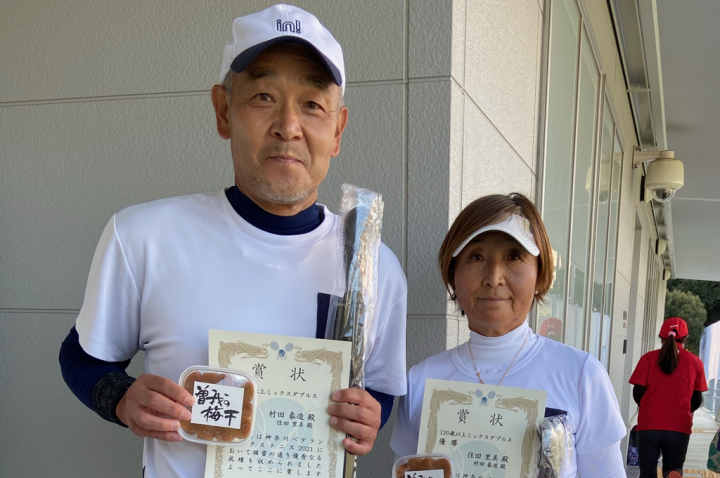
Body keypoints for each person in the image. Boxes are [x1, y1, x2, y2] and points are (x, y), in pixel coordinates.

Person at [58, 5, 408, 477]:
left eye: (312, 104)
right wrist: (120, 398)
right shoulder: (143, 236)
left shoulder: (372, 267)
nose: (288, 126)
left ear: (338, 129)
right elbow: (83, 355)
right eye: (264, 96)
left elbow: (378, 387)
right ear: (223, 111)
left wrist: (369, 418)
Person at [390, 193, 626, 477]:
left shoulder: (581, 376)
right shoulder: (421, 381)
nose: (494, 277)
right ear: (453, 274)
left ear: (540, 273)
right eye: (476, 256)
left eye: (514, 256)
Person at [629, 317, 707, 478]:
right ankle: (673, 473)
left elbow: (637, 392)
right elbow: (697, 399)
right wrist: (684, 410)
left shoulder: (648, 358)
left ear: (661, 337)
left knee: (647, 473)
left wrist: (650, 407)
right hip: (679, 425)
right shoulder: (695, 362)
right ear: (685, 338)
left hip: (649, 424)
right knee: (673, 468)